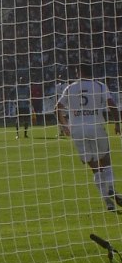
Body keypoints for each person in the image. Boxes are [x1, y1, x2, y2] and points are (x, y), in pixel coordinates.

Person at [56, 63, 122, 212]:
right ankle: (111, 188)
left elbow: (58, 108)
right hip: (96, 126)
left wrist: (65, 126)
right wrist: (117, 123)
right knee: (105, 159)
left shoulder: (70, 88)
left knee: (94, 167)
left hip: (78, 131)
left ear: (78, 72)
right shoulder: (99, 86)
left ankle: (108, 202)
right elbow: (111, 104)